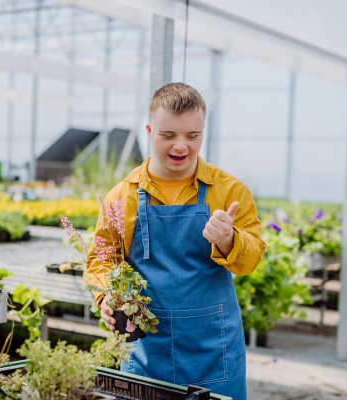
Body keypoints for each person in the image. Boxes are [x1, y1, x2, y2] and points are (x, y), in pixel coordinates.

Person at [85, 83, 266, 400]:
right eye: (168, 135)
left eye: (192, 136)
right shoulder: (122, 196)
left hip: (212, 347)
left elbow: (250, 260)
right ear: (149, 130)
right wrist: (107, 299)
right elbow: (101, 260)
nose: (181, 146)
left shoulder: (229, 191)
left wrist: (229, 240)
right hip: (145, 348)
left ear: (202, 132)